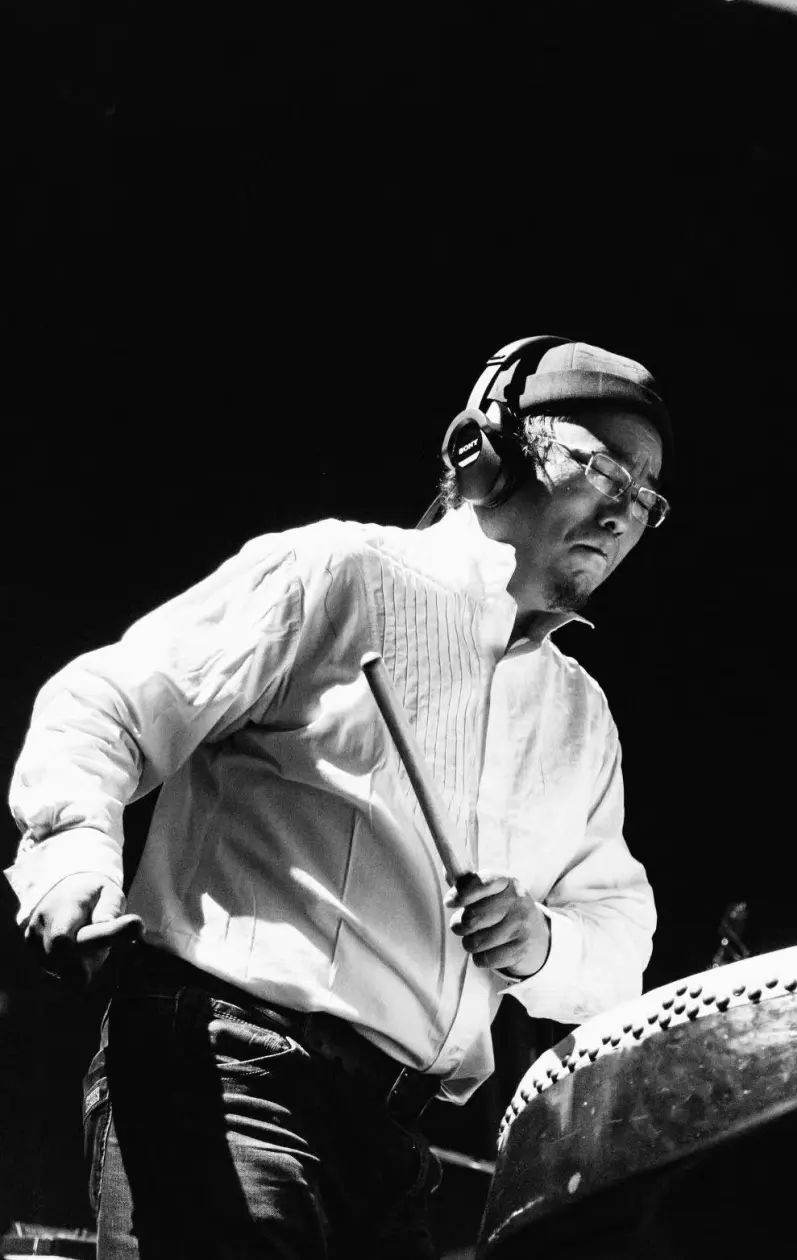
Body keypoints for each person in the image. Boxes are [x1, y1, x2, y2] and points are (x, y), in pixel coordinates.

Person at [5, 334, 672, 1259]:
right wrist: (71, 856)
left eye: (647, 497)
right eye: (602, 470)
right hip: (230, 1071)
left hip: (393, 1139)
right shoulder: (339, 573)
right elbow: (110, 704)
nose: (623, 511)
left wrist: (541, 941)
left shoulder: (581, 718)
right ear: (483, 451)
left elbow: (621, 944)